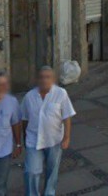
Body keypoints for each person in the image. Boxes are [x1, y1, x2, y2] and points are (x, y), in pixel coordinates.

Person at [22, 66, 76, 196]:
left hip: (54, 140)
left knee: (52, 172)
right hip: (33, 140)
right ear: (36, 79)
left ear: (53, 79)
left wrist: (67, 137)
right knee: (31, 171)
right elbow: (24, 118)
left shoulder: (61, 93)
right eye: (41, 77)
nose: (44, 80)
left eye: (47, 77)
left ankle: (49, 193)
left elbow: (67, 116)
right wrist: (24, 137)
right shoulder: (29, 96)